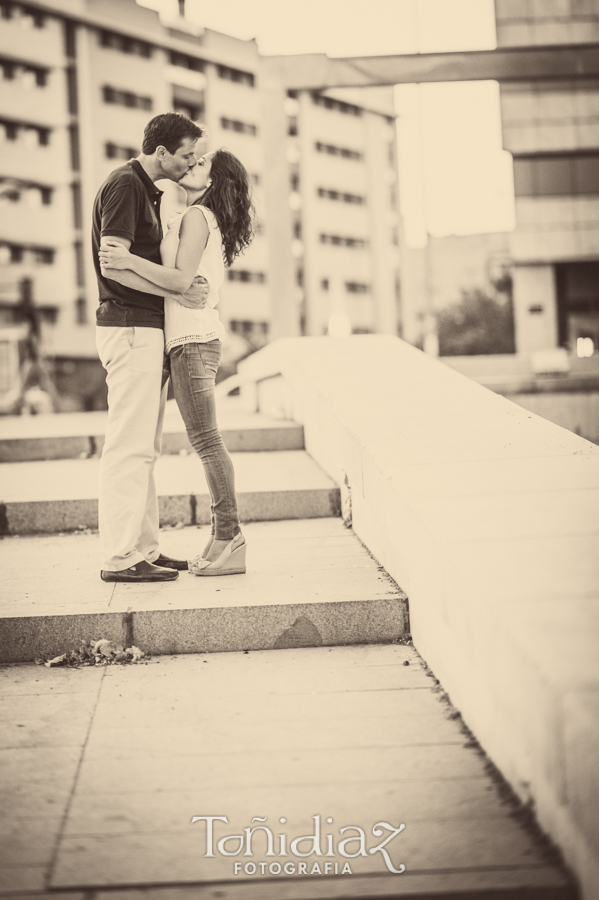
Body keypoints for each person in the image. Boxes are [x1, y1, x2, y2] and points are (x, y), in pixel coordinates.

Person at [99, 148, 255, 577]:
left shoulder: (196, 218)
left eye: (201, 163)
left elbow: (183, 280)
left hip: (191, 339)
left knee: (206, 441)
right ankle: (221, 538)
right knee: (203, 440)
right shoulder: (192, 214)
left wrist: (127, 260)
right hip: (190, 338)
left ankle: (229, 536)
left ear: (213, 181)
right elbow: (185, 280)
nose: (191, 165)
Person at [94, 112, 209, 584]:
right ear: (160, 151)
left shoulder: (147, 190)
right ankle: (121, 557)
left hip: (143, 329)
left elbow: (128, 263)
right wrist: (177, 290)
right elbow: (114, 267)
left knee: (145, 448)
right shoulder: (125, 185)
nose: (190, 163)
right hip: (129, 327)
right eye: (185, 155)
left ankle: (144, 549)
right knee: (129, 447)